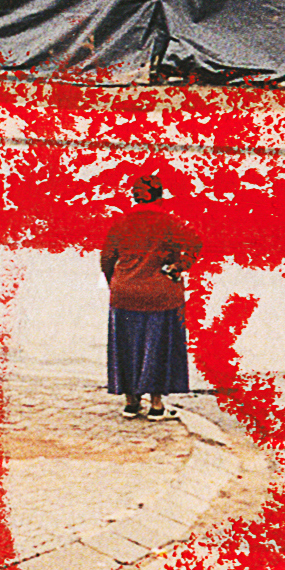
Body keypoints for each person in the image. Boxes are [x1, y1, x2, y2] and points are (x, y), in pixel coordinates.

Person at [98, 162, 194, 420]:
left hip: (125, 293)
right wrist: (178, 266)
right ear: (160, 196)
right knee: (157, 348)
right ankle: (156, 406)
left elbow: (106, 259)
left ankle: (131, 403)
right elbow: (194, 244)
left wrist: (117, 283)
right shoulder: (170, 223)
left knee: (126, 347)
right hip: (161, 294)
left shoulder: (121, 223)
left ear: (134, 197)